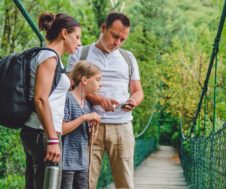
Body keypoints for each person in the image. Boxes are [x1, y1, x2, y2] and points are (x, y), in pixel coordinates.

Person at [67, 12, 144, 189]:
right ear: (103, 28)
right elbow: (70, 89)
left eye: (122, 39)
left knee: (125, 183)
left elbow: (138, 91)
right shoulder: (80, 54)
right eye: (114, 36)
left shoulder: (128, 58)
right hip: (88, 126)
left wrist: (133, 101)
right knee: (85, 182)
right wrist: (100, 100)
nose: (117, 43)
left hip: (122, 127)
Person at [20, 12, 81, 189]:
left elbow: (62, 88)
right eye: (76, 37)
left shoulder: (51, 58)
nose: (78, 42)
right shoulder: (49, 57)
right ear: (64, 33)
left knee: (36, 184)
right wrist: (53, 140)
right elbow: (40, 98)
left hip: (38, 131)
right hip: (44, 132)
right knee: (48, 184)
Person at [61, 61, 102, 189]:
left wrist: (92, 128)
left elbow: (87, 138)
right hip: (66, 164)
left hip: (83, 163)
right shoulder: (67, 99)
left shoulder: (88, 104)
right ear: (84, 80)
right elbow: (61, 129)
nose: (101, 84)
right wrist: (84, 118)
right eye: (98, 80)